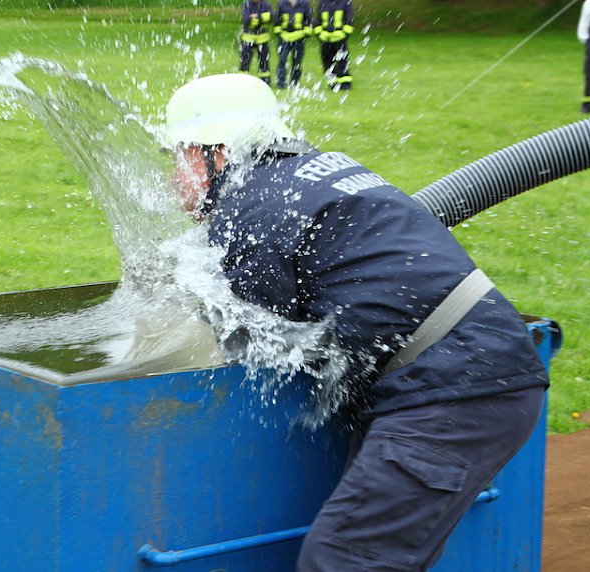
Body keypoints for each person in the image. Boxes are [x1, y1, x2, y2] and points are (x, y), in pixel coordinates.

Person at [165, 73, 549, 572]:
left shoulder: (249, 211)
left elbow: (252, 331)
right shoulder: (312, 171)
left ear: (213, 154)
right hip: (469, 372)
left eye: (177, 158)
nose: (173, 178)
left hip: (454, 393)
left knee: (342, 559)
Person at [314, 0, 354, 90]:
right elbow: (318, 20)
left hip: (339, 38)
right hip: (325, 39)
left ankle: (345, 84)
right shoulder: (322, 2)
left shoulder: (345, 2)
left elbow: (349, 19)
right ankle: (333, 83)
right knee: (327, 62)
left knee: (342, 61)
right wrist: (319, 35)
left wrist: (344, 35)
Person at [273, 0, 313, 89]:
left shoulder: (305, 4)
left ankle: (294, 83)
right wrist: (279, 33)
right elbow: (277, 20)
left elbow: (309, 19)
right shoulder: (282, 3)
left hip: (299, 38)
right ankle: (280, 82)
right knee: (282, 60)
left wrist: (306, 33)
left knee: (297, 62)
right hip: (284, 37)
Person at [239, 0, 273, 85]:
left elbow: (271, 17)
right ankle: (242, 81)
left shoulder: (266, 4)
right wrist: (262, 17)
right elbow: (246, 20)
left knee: (264, 62)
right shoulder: (246, 4)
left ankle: (265, 82)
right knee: (245, 61)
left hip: (263, 39)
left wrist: (256, 17)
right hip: (248, 39)